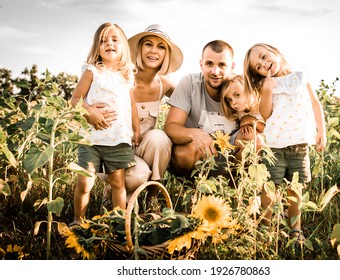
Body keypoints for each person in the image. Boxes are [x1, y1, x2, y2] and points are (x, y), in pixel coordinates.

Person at [243, 43, 327, 241]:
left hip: (300, 145)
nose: (265, 65)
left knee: (295, 189)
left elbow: (315, 103)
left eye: (264, 57)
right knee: (270, 188)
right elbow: (265, 113)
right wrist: (267, 90)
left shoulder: (301, 76)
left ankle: (295, 229)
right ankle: (265, 228)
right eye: (259, 67)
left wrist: (321, 130)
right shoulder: (267, 85)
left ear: (276, 52)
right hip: (275, 147)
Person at [100, 24, 183, 206]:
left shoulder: (165, 85)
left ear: (166, 55)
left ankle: (151, 198)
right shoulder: (121, 78)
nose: (154, 51)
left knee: (160, 139)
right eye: (148, 44)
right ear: (139, 48)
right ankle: (112, 200)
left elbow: (189, 103)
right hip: (116, 150)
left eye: (161, 47)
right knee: (139, 173)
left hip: (143, 149)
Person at [70, 22, 140, 225]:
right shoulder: (92, 71)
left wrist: (136, 129)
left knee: (118, 182)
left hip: (118, 138)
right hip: (91, 138)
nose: (109, 43)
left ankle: (119, 223)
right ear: (97, 48)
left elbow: (132, 105)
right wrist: (90, 112)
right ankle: (78, 220)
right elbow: (75, 100)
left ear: (124, 47)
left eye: (114, 39)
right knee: (85, 181)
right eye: (103, 41)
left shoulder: (127, 77)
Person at [164, 40, 237, 178]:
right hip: (197, 155)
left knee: (254, 140)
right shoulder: (190, 83)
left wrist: (248, 120)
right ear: (201, 64)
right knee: (182, 153)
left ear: (232, 67)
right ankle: (191, 191)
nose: (215, 71)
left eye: (222, 65)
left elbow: (257, 121)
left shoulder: (240, 86)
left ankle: (237, 193)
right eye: (209, 64)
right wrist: (195, 134)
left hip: (229, 157)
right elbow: (171, 127)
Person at [220, 74, 266, 160]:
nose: (233, 103)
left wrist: (253, 121)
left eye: (237, 95)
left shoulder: (262, 105)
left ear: (249, 90)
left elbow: (271, 131)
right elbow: (243, 122)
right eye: (229, 100)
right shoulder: (239, 112)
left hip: (272, 142)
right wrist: (245, 124)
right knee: (250, 140)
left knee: (257, 141)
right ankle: (238, 171)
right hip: (246, 141)